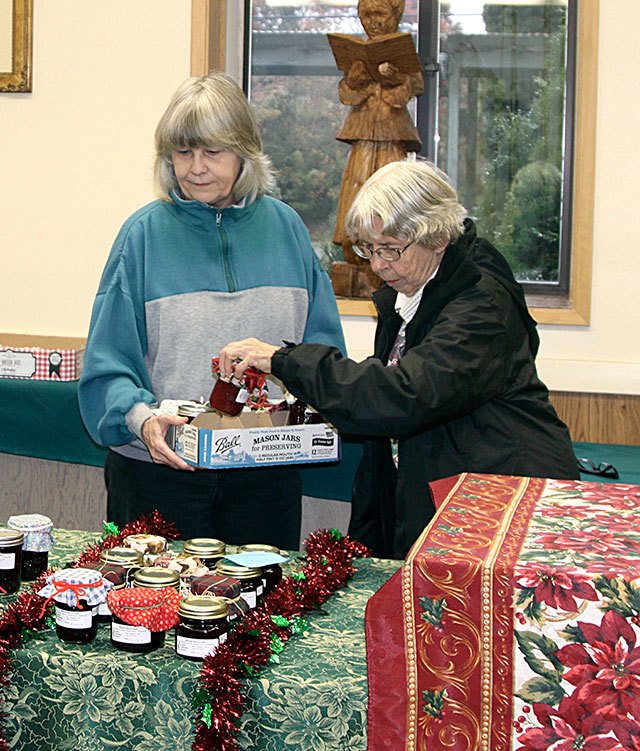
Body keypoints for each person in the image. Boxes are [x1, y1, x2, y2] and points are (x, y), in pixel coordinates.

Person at [218, 159, 578, 559]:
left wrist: (286, 361)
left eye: (391, 249)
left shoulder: (483, 305)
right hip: (453, 498)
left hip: (503, 506)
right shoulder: (411, 292)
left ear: (438, 237)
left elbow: (405, 394)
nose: (377, 265)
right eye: (368, 249)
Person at [78, 74, 345, 549]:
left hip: (265, 475)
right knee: (151, 616)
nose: (196, 168)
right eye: (183, 153)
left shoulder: (288, 229)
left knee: (261, 615)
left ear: (245, 152)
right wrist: (140, 420)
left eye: (213, 152)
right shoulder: (140, 236)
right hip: (159, 472)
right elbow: (105, 370)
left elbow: (323, 355)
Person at [329, 0, 424, 297]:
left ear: (394, 15)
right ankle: (355, 252)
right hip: (361, 135)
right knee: (355, 187)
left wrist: (395, 78)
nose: (373, 21)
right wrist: (356, 80)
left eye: (380, 14)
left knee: (392, 193)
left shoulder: (401, 53)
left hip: (392, 134)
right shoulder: (358, 56)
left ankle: (391, 251)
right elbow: (347, 94)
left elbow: (412, 87)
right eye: (366, 15)